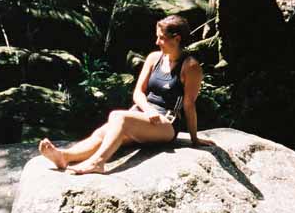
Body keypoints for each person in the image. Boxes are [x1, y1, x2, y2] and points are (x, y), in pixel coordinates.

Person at [38, 14, 213, 174]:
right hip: (143, 114)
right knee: (102, 133)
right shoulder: (154, 58)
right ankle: (64, 156)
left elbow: (189, 104)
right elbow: (138, 92)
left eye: (161, 38)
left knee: (118, 116)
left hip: (166, 124)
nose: (157, 42)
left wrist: (195, 139)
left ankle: (98, 162)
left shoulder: (190, 67)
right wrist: (147, 110)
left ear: (177, 39)